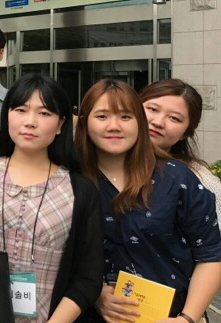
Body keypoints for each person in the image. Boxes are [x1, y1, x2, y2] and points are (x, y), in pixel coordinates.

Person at [74, 79, 221, 323]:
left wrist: (187, 318)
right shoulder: (68, 178)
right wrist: (95, 291)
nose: (114, 126)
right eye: (102, 116)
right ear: (84, 121)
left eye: (125, 116)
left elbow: (210, 254)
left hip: (170, 315)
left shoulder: (178, 178)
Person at [0, 74, 103, 323]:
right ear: (7, 115)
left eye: (44, 113)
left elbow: (88, 277)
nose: (30, 122)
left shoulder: (80, 191)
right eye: (21, 110)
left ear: (60, 124)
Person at [139, 79, 221, 228]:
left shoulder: (201, 181)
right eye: (153, 109)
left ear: (185, 133)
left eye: (174, 118)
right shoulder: (102, 162)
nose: (158, 122)